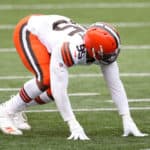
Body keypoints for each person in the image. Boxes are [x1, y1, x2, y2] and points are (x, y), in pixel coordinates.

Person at [0, 14, 147, 140]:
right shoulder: (71, 50)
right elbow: (60, 90)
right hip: (30, 31)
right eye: (108, 53)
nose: (112, 56)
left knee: (51, 92)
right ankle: (5, 112)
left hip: (52, 30)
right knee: (46, 80)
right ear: (94, 51)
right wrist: (72, 123)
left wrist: (126, 117)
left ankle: (15, 107)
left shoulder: (97, 48)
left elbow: (115, 84)